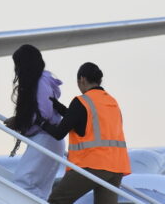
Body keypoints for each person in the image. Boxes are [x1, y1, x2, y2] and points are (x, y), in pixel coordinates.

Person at [40, 62, 130, 204]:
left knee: (57, 200)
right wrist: (58, 106)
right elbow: (82, 120)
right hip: (116, 167)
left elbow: (59, 133)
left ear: (82, 79)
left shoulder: (82, 101)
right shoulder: (111, 101)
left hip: (92, 164)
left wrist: (41, 123)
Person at [3, 44, 66, 200]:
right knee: (39, 190)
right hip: (48, 139)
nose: (17, 70)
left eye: (18, 65)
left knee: (23, 183)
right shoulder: (41, 81)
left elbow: (44, 112)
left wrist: (19, 121)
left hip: (45, 137)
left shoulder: (40, 82)